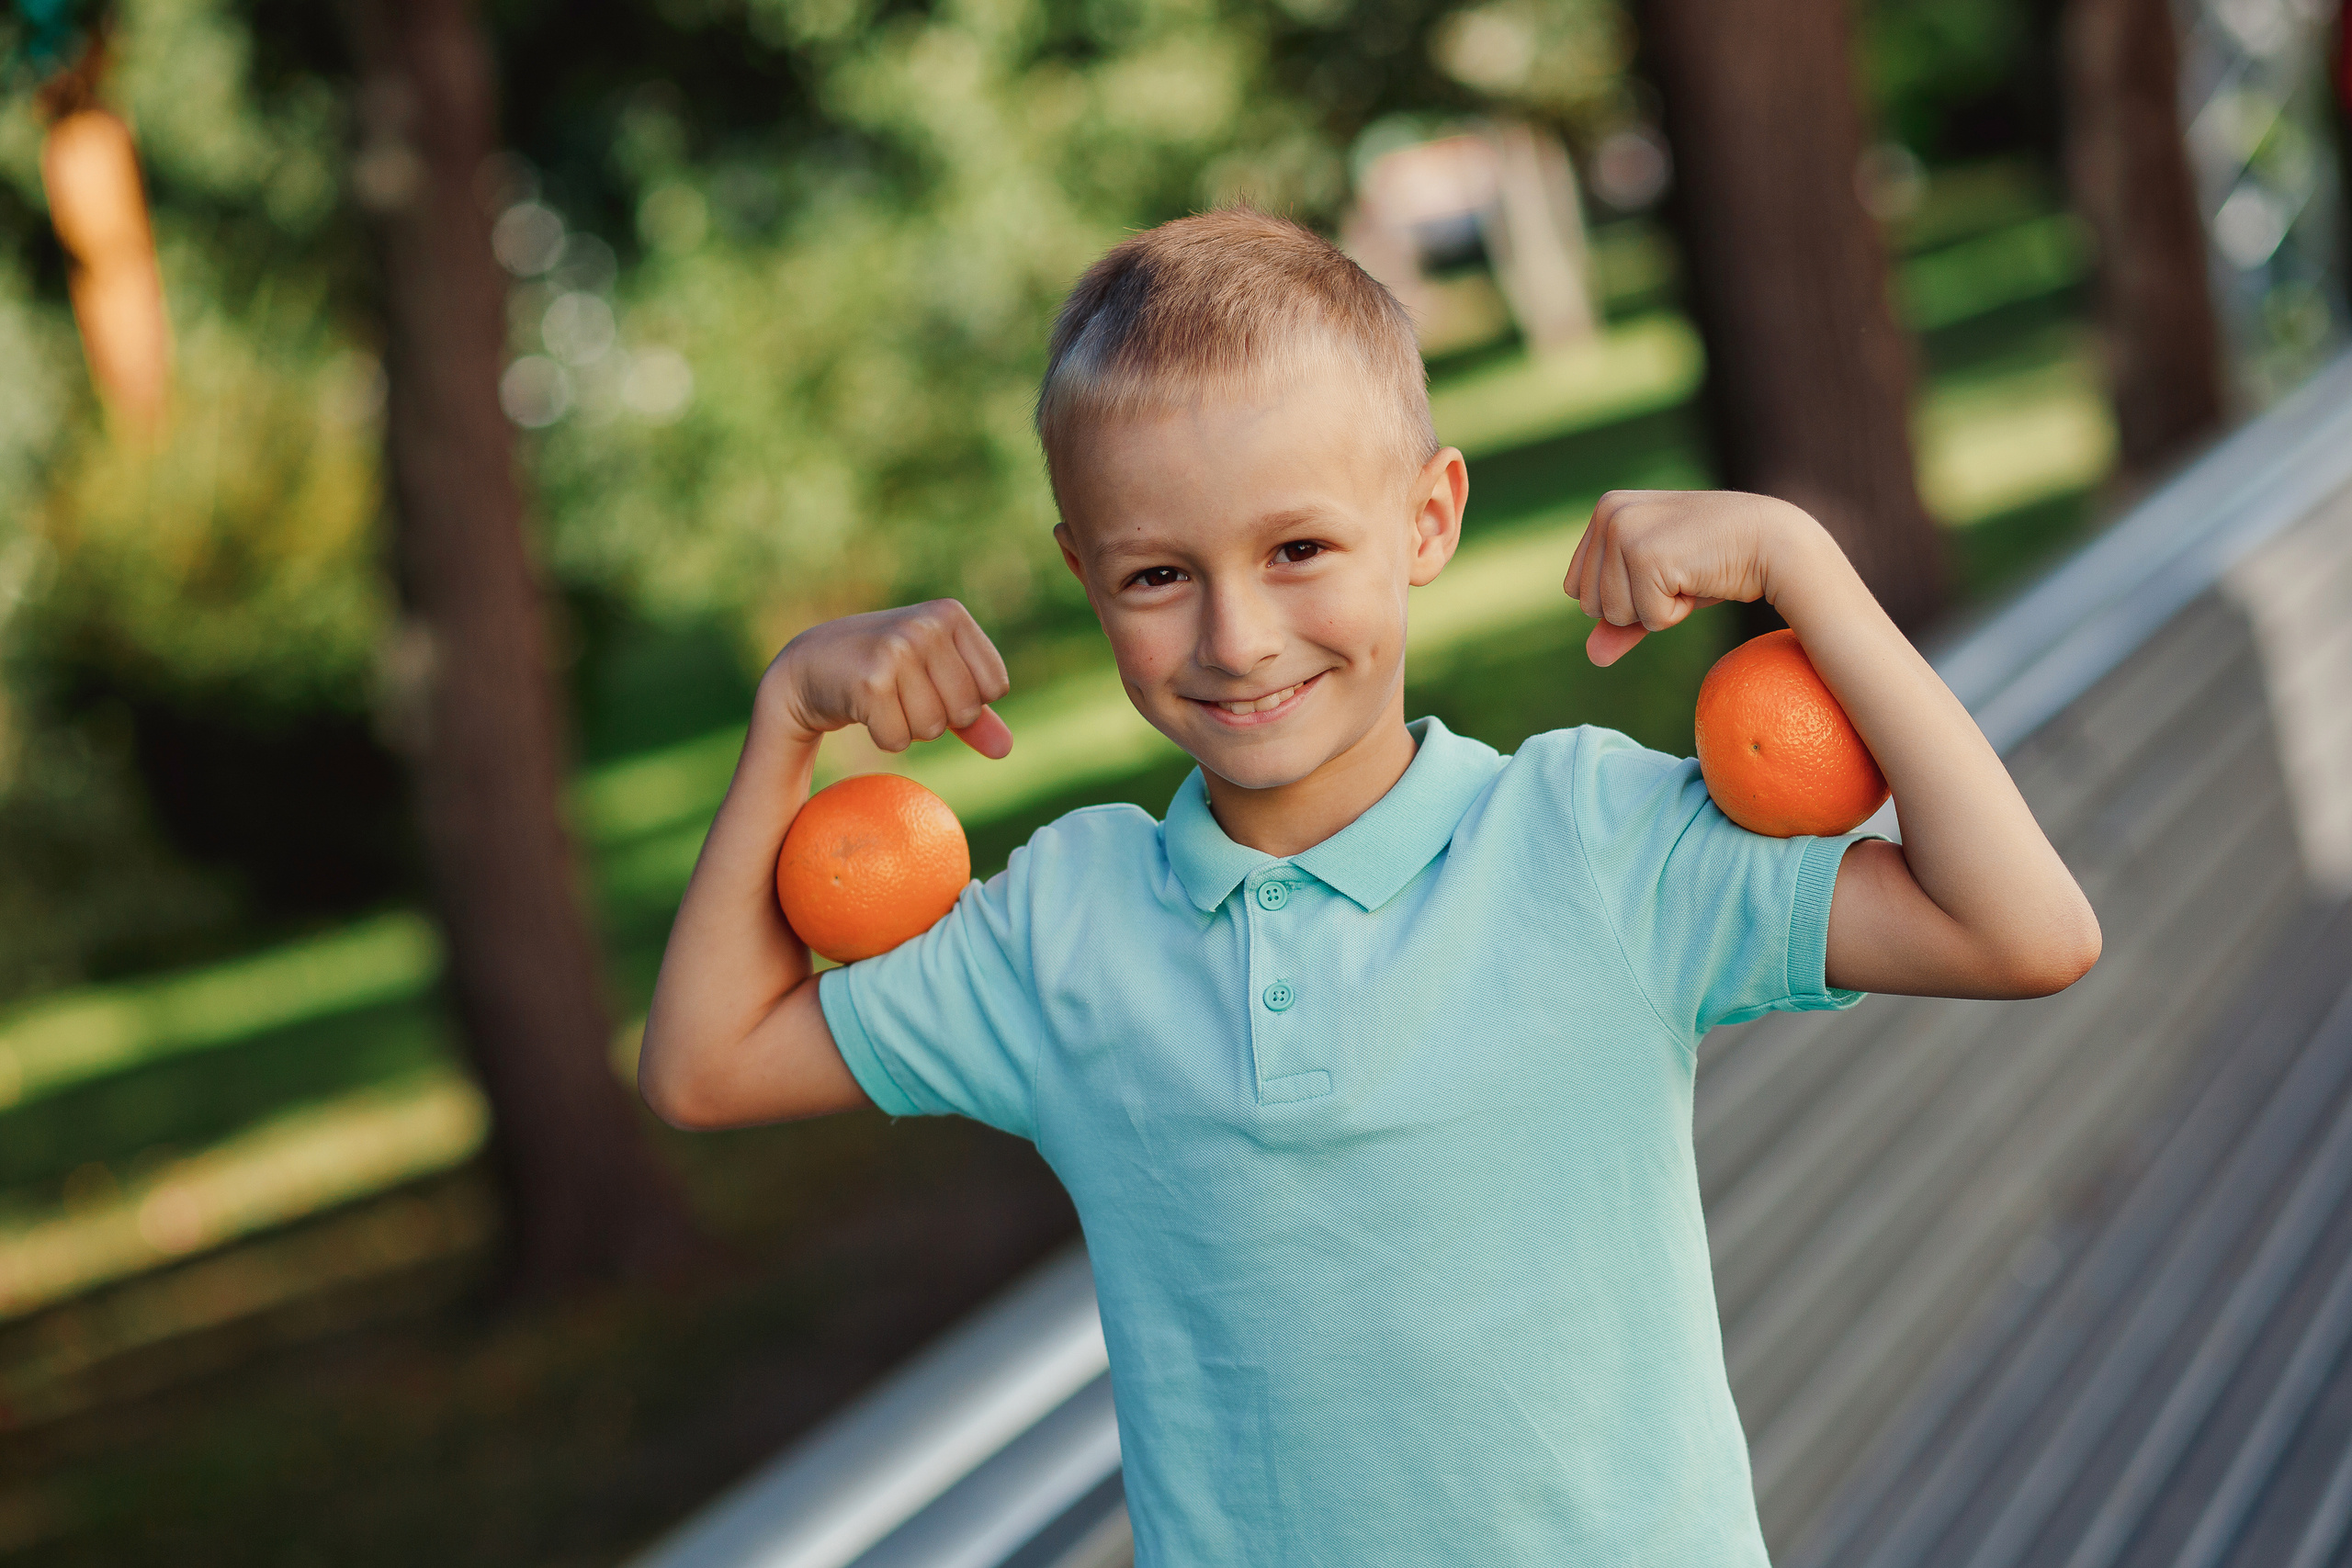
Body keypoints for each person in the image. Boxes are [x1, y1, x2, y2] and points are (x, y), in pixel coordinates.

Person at [638, 208, 2101, 1564]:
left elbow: (2021, 931)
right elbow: (705, 1064)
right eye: (1158, 576)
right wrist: (788, 721)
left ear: (1427, 520)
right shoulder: (1062, 934)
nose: (1237, 637)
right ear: (1085, 574)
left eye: (1297, 549)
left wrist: (1803, 566)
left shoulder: (1590, 844)